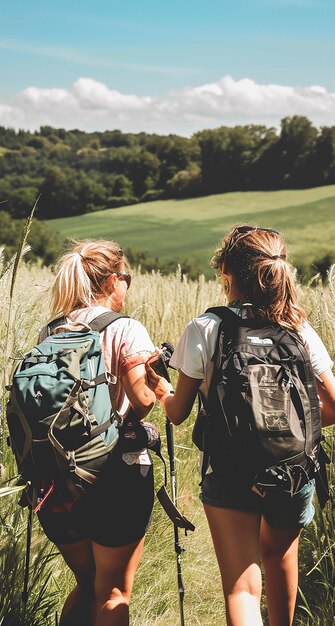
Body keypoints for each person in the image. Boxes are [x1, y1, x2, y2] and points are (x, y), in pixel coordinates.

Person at [146, 225, 335, 626]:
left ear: (227, 270)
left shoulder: (205, 327)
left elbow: (177, 413)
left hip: (230, 469)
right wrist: (292, 429)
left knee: (242, 588)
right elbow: (333, 405)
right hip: (292, 469)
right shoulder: (298, 328)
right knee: (281, 559)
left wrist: (160, 386)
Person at [37, 239, 157, 626]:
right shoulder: (126, 329)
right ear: (110, 281)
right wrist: (145, 400)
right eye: (127, 278)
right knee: (113, 591)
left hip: (58, 478)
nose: (128, 285)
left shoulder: (50, 331)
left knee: (86, 581)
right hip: (116, 476)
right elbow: (141, 397)